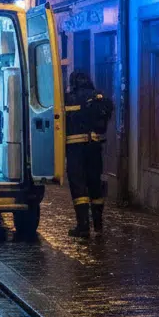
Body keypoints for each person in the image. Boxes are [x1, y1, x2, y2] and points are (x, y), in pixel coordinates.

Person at [64, 70, 114, 238]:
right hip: (94, 146)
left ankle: (83, 226)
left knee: (78, 186)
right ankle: (98, 225)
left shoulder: (69, 98)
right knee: (94, 183)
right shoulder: (97, 95)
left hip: (75, 149)